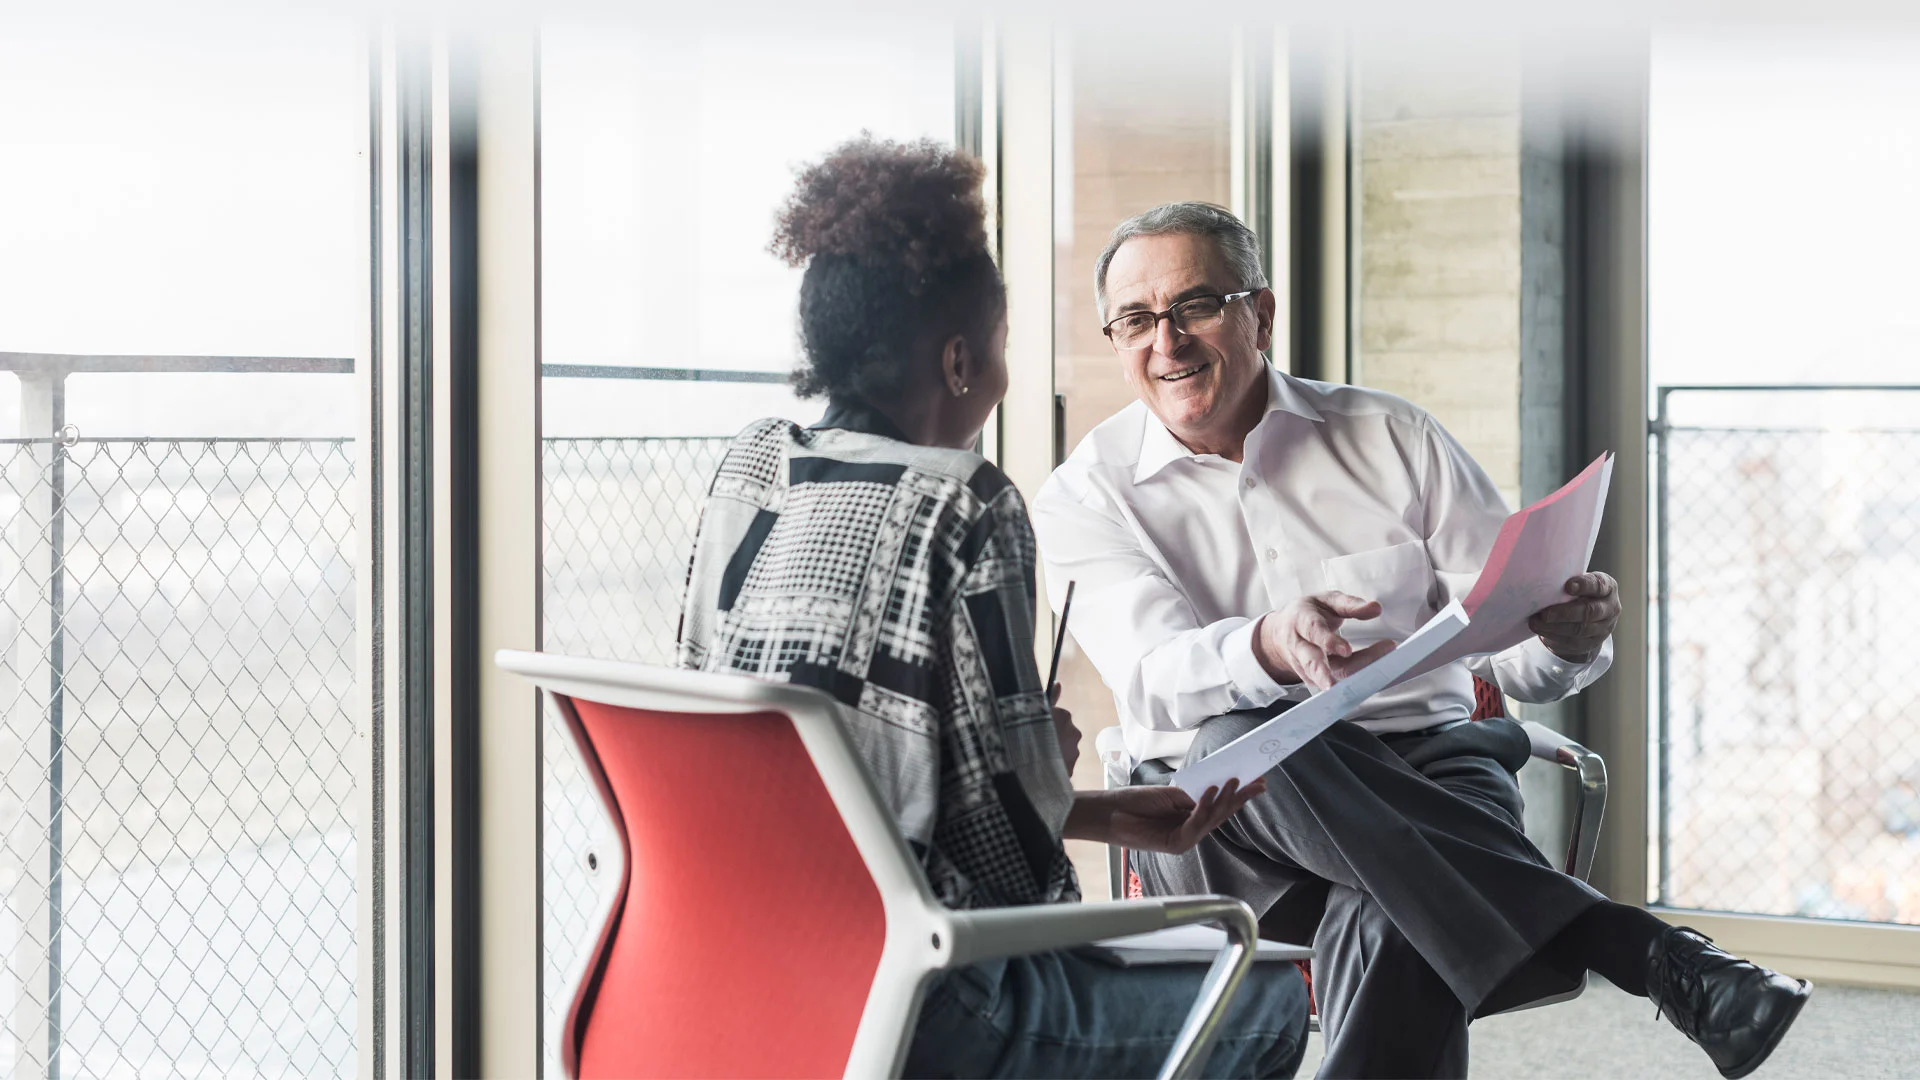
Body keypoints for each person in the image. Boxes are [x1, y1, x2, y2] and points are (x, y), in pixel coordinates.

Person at [1030, 202, 1811, 1079]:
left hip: (1435, 771)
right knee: (1240, 736)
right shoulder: (1086, 497)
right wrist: (1272, 645)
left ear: (1262, 314)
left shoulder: (1393, 437)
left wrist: (1566, 635)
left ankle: (1619, 945)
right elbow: (1155, 677)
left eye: (1195, 306)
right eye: (1135, 320)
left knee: (1393, 915)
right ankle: (1637, 949)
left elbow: (1511, 645)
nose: (1166, 341)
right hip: (1221, 824)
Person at [677, 144, 1310, 1078]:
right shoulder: (963, 502)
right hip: (928, 1000)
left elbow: (848, 801)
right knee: (1263, 996)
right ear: (960, 359)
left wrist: (1105, 813)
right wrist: (1041, 766)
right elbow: (1012, 881)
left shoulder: (751, 469)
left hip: (746, 974)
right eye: (1005, 345)